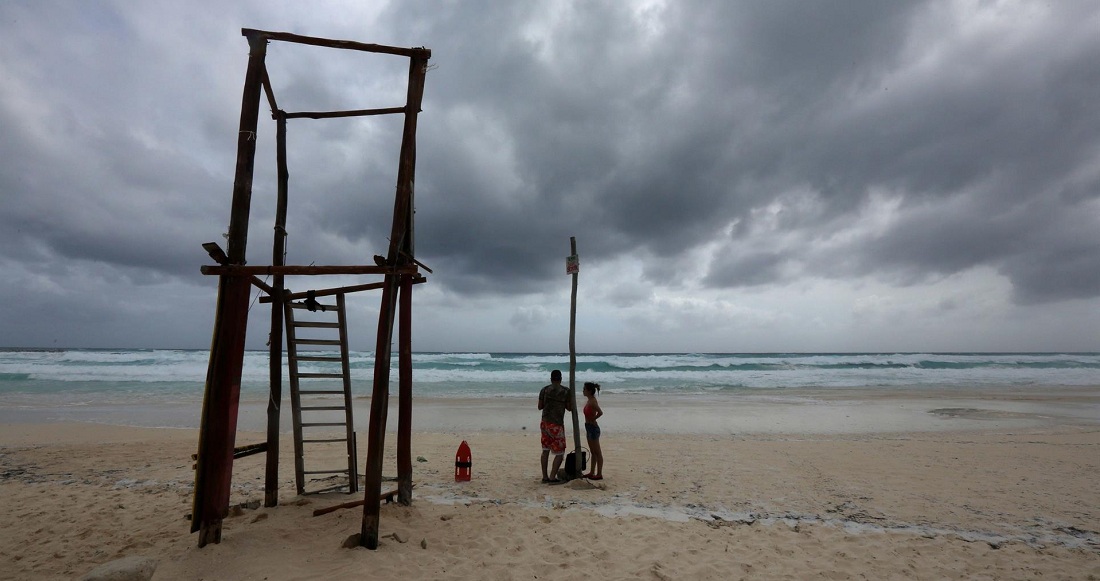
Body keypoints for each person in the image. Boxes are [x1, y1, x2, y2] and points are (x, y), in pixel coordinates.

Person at [538, 369, 572, 483]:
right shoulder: (566, 391)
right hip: (556, 424)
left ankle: (545, 476)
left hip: (545, 423)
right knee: (560, 453)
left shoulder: (544, 390)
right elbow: (569, 408)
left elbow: (540, 406)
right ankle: (552, 477)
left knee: (545, 450)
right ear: (561, 379)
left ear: (551, 379)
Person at [582, 381, 604, 480]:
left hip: (593, 428)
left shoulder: (593, 402)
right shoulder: (589, 400)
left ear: (589, 391)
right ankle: (592, 472)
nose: (583, 391)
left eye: (584, 389)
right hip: (588, 427)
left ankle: (599, 473)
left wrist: (593, 419)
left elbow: (600, 412)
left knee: (597, 452)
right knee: (592, 451)